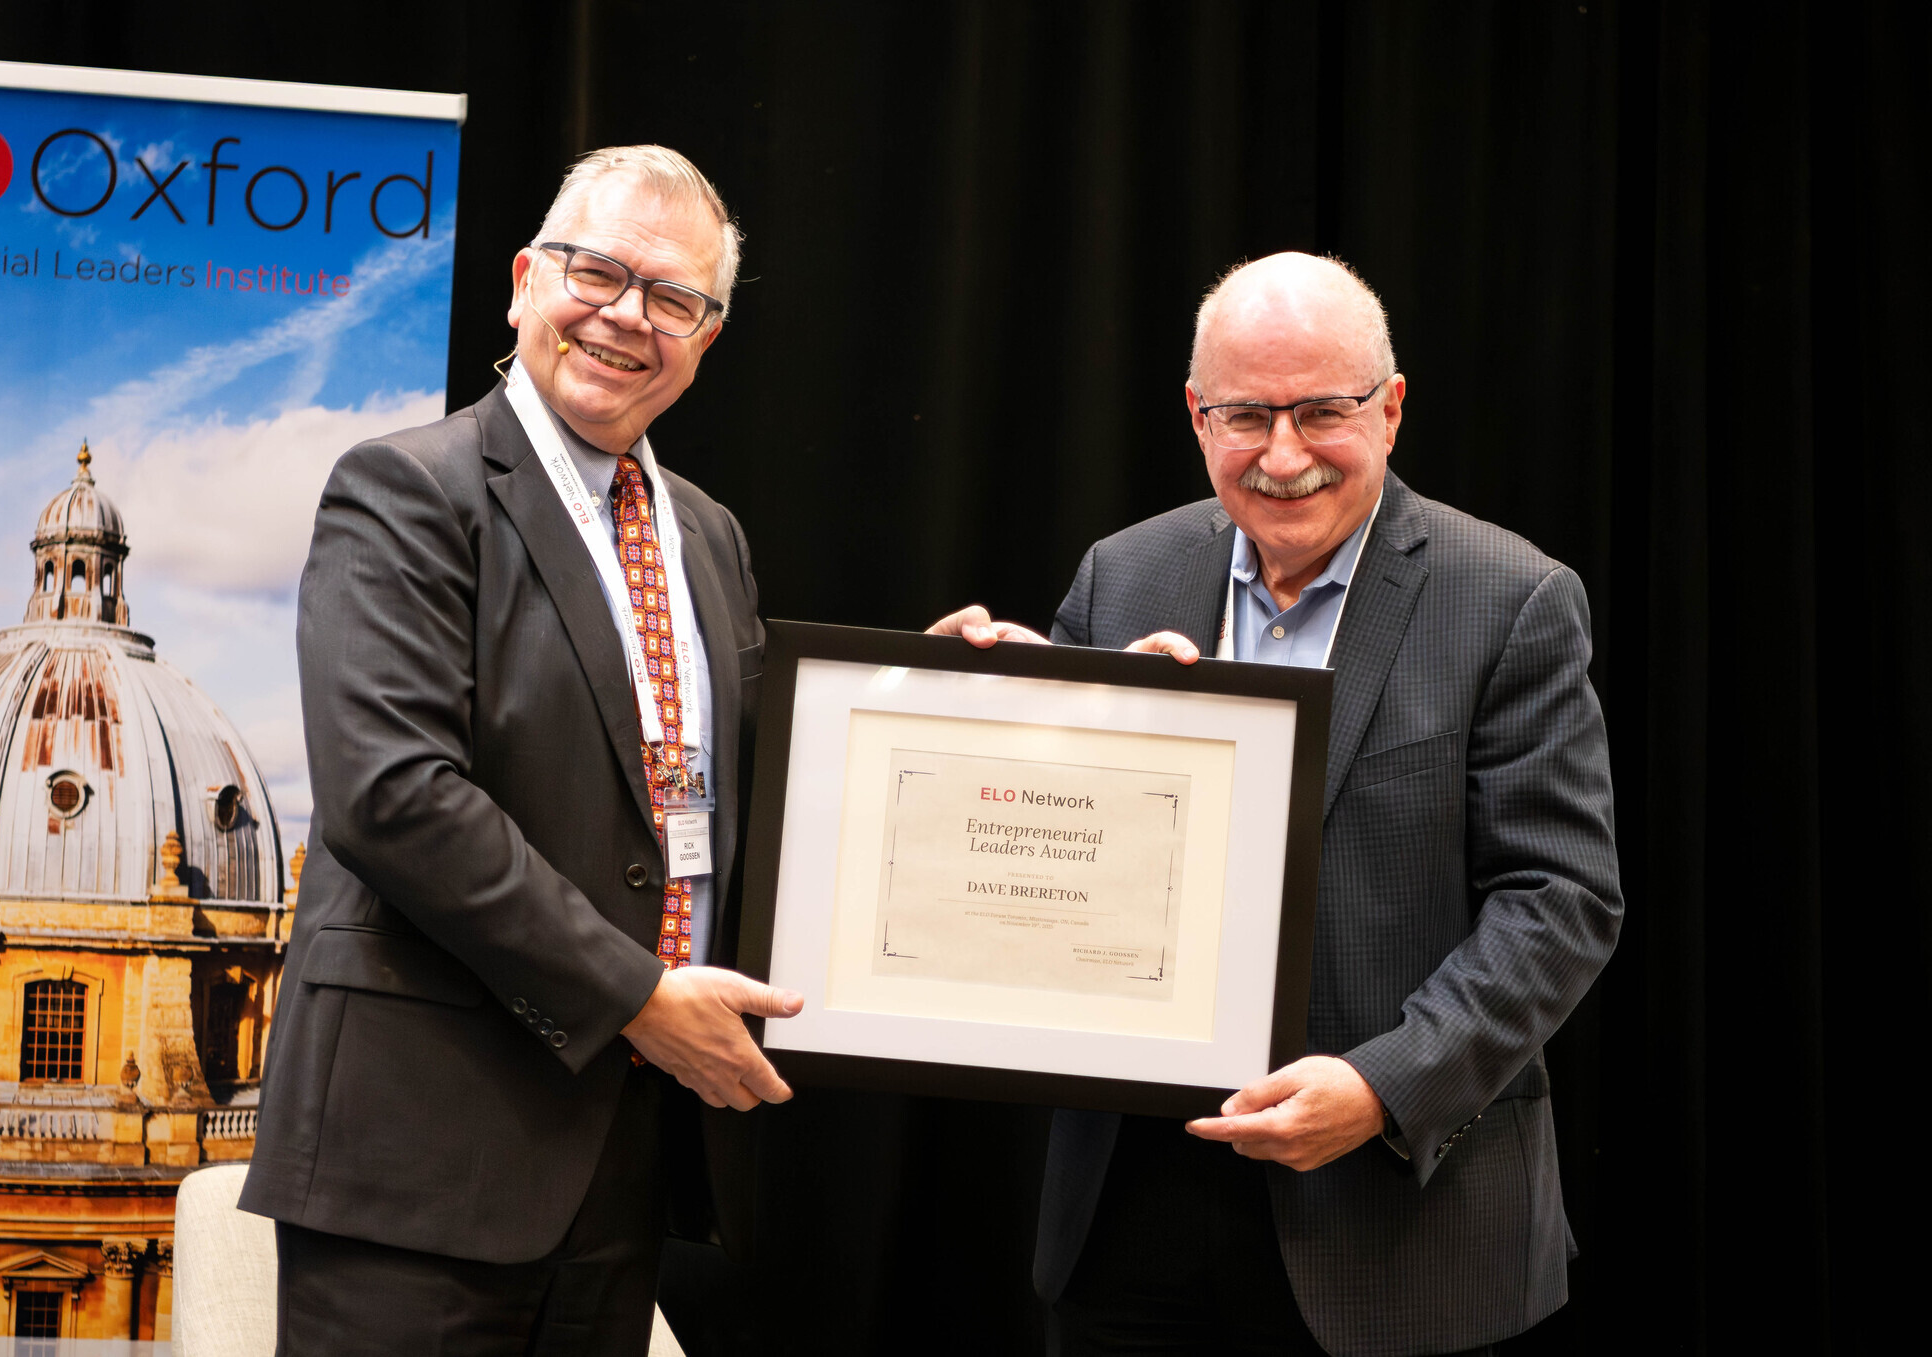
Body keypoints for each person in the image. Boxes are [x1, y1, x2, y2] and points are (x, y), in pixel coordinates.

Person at [934, 252, 1622, 1356]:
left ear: (1389, 410)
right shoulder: (1122, 576)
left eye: (1321, 411)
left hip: (1397, 1223)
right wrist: (970, 721)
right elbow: (1052, 858)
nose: (1282, 453)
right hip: (1132, 1218)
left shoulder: (1509, 598)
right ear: (1197, 416)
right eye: (1245, 414)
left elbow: (1561, 900)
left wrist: (1381, 1086)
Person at [241, 145, 803, 1353]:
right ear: (521, 281)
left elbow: (762, 776)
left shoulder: (707, 534)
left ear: (707, 337)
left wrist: (946, 685)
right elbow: (393, 797)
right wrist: (638, 995)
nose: (624, 317)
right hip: (420, 1157)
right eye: (595, 272)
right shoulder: (404, 490)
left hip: (625, 1152)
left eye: (673, 298)